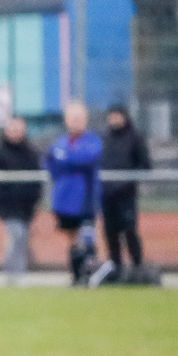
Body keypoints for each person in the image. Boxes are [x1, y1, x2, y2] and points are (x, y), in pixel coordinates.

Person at [44, 102, 101, 286]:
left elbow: (84, 158)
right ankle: (76, 277)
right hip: (64, 199)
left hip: (85, 199)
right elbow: (51, 162)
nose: (76, 121)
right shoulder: (60, 142)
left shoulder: (92, 141)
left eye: (79, 118)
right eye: (72, 118)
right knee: (71, 238)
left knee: (88, 237)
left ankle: (91, 276)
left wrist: (66, 157)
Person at [0, 117, 42, 282]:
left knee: (23, 238)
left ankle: (20, 272)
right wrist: (3, 196)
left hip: (26, 206)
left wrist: (34, 199)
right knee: (16, 235)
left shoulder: (31, 153)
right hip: (8, 206)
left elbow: (37, 179)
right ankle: (12, 274)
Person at [100, 104, 150, 282]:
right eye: (111, 116)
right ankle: (116, 268)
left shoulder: (135, 138)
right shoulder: (104, 138)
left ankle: (137, 267)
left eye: (117, 116)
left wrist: (127, 181)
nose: (114, 120)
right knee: (110, 232)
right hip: (108, 195)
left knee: (129, 231)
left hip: (127, 195)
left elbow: (144, 165)